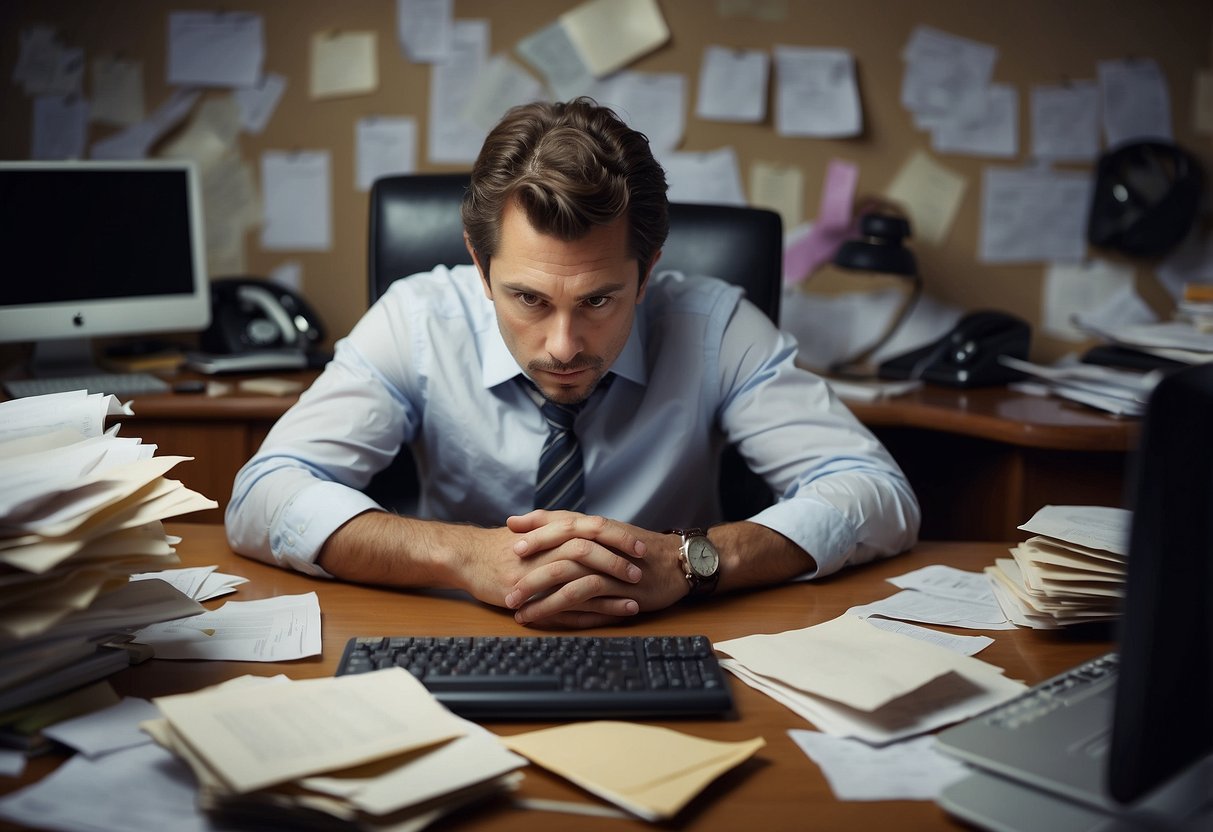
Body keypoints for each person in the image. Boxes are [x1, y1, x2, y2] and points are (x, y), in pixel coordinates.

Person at [226, 98, 920, 629]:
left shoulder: (715, 326)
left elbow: (875, 494)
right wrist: (463, 556)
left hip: (673, 639)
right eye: (527, 297)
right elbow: (265, 495)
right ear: (478, 262)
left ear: (646, 272)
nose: (562, 345)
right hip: (452, 633)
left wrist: (689, 563)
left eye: (599, 299)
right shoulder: (417, 319)